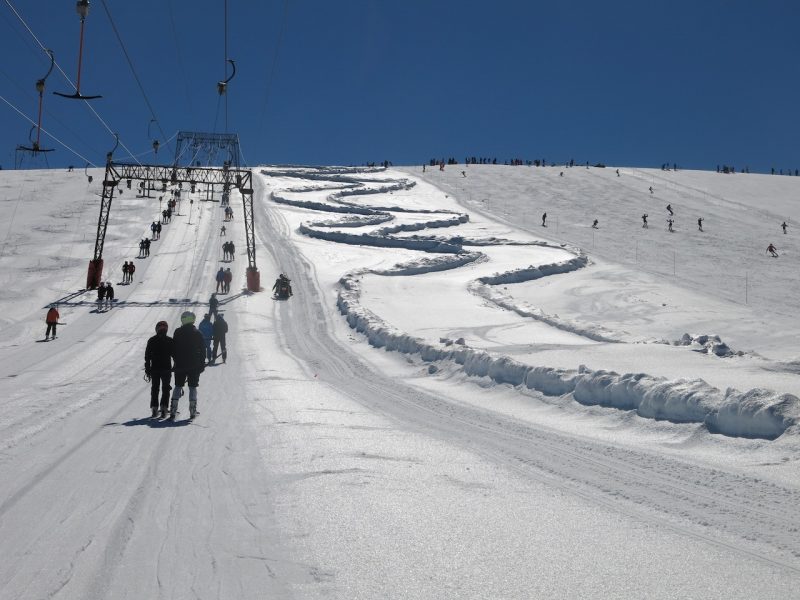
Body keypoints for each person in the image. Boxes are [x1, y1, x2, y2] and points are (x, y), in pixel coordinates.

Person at [169, 311, 206, 420]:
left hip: (180, 365)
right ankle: (192, 411)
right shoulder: (198, 333)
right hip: (194, 366)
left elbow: (173, 349)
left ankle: (173, 410)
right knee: (193, 387)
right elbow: (203, 350)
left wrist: (176, 361)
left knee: (178, 386)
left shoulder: (177, 332)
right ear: (193, 320)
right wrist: (202, 364)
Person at [144, 320, 174, 418]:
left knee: (155, 388)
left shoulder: (152, 340)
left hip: (155, 369)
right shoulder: (170, 340)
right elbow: (175, 355)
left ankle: (154, 408)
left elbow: (147, 356)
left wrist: (147, 369)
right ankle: (164, 408)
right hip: (166, 369)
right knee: (165, 389)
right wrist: (177, 366)